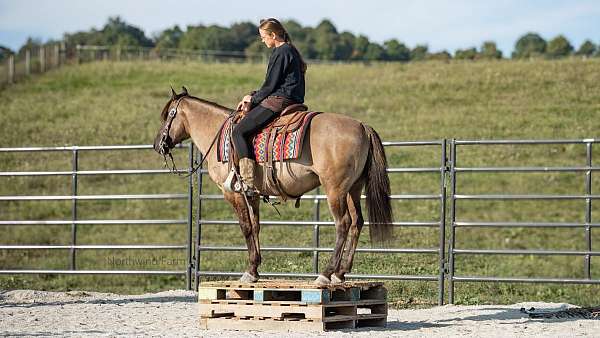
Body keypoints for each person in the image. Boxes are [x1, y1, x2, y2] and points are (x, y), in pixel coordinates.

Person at [233, 18, 307, 195]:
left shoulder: (281, 52)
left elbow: (270, 85)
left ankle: (248, 181)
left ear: (273, 35)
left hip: (279, 100)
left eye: (264, 37)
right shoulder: (291, 50)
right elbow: (272, 84)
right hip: (291, 98)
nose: (262, 40)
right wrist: (253, 95)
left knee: (238, 132)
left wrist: (252, 99)